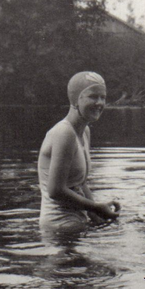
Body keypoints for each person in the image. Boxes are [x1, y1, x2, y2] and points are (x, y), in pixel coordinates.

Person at [37, 71, 121, 233]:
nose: (99, 103)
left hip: (76, 223)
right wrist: (96, 207)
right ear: (76, 99)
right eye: (93, 96)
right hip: (59, 227)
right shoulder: (64, 133)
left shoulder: (84, 131)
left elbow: (79, 184)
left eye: (103, 97)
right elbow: (55, 190)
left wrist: (100, 215)